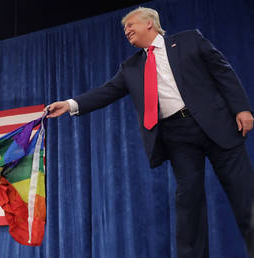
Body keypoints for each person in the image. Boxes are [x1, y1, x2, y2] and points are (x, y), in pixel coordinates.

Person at [46, 6, 254, 258]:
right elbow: (106, 91)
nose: (127, 30)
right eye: (124, 28)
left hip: (216, 125)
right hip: (178, 137)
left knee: (245, 196)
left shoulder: (188, 40)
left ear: (149, 23)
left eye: (131, 25)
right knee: (188, 203)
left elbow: (223, 72)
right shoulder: (131, 68)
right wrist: (69, 104)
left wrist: (241, 108)